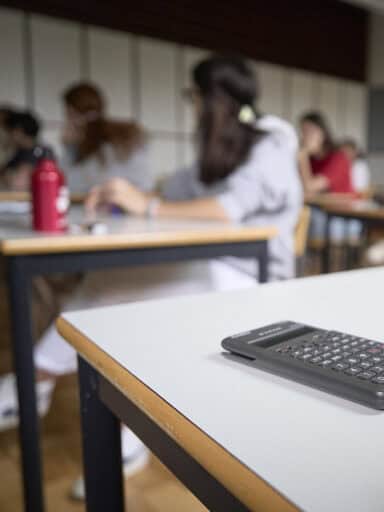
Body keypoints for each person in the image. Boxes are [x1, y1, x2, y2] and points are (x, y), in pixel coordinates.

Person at [0, 55, 302, 497]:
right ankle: (65, 392)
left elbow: (226, 209)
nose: (192, 107)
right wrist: (130, 193)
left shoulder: (272, 143)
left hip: (250, 273)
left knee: (122, 284)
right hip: (209, 263)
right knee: (110, 282)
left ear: (211, 99)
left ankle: (41, 382)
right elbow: (180, 188)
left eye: (193, 97)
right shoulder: (222, 145)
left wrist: (149, 205)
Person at [60, 82, 153, 195]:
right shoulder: (125, 132)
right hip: (140, 197)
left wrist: (69, 147)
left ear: (72, 112)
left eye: (68, 114)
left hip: (120, 202)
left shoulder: (101, 145)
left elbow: (71, 185)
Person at [298, 111, 353, 195]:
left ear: (323, 133)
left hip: (339, 203)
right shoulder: (310, 159)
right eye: (303, 132)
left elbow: (309, 187)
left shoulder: (338, 158)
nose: (305, 137)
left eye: (310, 132)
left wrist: (303, 155)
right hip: (316, 202)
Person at [1, 110, 41, 190]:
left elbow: (18, 183)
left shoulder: (37, 152)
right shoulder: (19, 152)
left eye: (8, 131)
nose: (6, 136)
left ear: (18, 131)